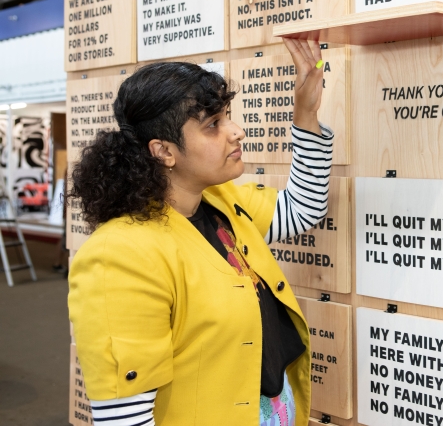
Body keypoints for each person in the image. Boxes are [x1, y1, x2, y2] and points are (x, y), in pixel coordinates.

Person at [68, 39, 330, 426]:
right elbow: (126, 419)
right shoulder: (119, 255)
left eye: (228, 116)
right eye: (213, 125)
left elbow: (303, 207)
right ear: (163, 151)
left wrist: (306, 112)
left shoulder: (220, 203)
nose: (236, 131)